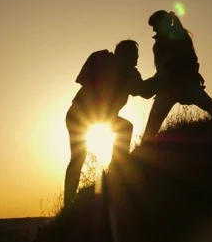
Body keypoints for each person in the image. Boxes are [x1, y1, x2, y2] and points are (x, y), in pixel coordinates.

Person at [64, 39, 159, 207]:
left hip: (97, 115)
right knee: (78, 158)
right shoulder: (102, 58)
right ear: (125, 54)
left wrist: (160, 79)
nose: (137, 59)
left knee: (125, 128)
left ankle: (116, 167)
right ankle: (68, 203)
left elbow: (144, 91)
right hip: (79, 115)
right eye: (135, 55)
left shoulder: (129, 73)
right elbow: (85, 80)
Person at [141, 10, 212, 141]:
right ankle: (144, 148)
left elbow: (188, 60)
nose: (153, 30)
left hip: (180, 85)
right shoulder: (162, 43)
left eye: (154, 26)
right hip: (175, 87)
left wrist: (193, 74)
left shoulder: (173, 39)